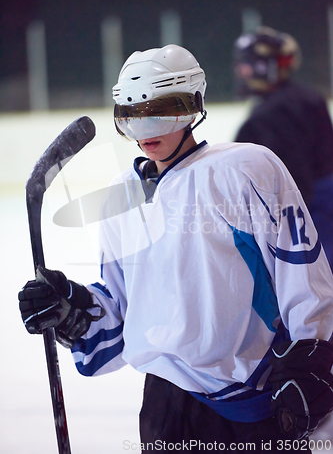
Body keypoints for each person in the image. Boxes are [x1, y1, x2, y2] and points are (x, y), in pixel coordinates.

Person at [19, 44, 333, 453]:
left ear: (193, 107)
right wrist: (73, 310)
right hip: (164, 407)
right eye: (131, 118)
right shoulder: (120, 194)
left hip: (253, 402)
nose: (145, 132)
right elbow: (121, 315)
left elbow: (303, 272)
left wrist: (314, 361)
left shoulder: (245, 170)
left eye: (160, 113)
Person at [233, 26, 333, 269]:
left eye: (248, 64)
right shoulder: (310, 98)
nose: (242, 71)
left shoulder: (269, 114)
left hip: (306, 212)